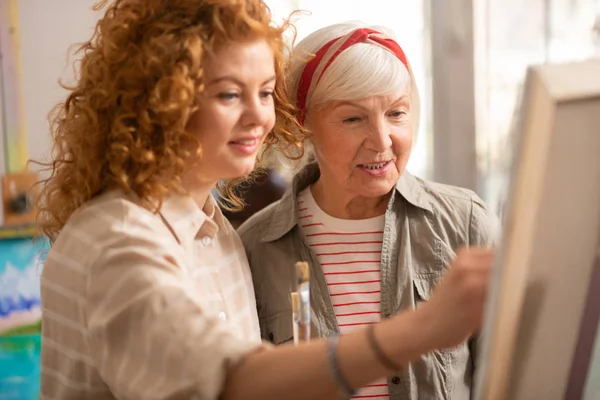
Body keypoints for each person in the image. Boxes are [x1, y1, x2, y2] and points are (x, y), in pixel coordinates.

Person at [37, 2, 494, 398]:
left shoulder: (219, 238)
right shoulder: (117, 240)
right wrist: (421, 328)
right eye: (230, 94)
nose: (260, 116)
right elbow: (232, 383)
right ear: (160, 102)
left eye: (266, 93)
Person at [239, 22, 500, 400]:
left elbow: (511, 376)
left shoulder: (467, 224)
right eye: (352, 118)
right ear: (304, 124)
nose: (381, 141)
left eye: (396, 114)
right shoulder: (254, 248)